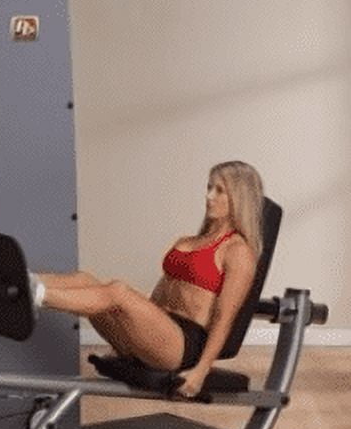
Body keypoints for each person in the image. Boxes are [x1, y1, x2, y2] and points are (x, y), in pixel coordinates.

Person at [29, 160, 264, 398]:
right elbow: (161, 293)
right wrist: (132, 328)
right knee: (84, 279)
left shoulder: (238, 251)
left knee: (118, 291)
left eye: (219, 190)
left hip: (182, 345)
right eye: (209, 187)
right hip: (156, 333)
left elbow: (224, 318)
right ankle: (25, 280)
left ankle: (37, 295)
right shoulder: (188, 241)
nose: (209, 196)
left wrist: (201, 371)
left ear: (239, 197)